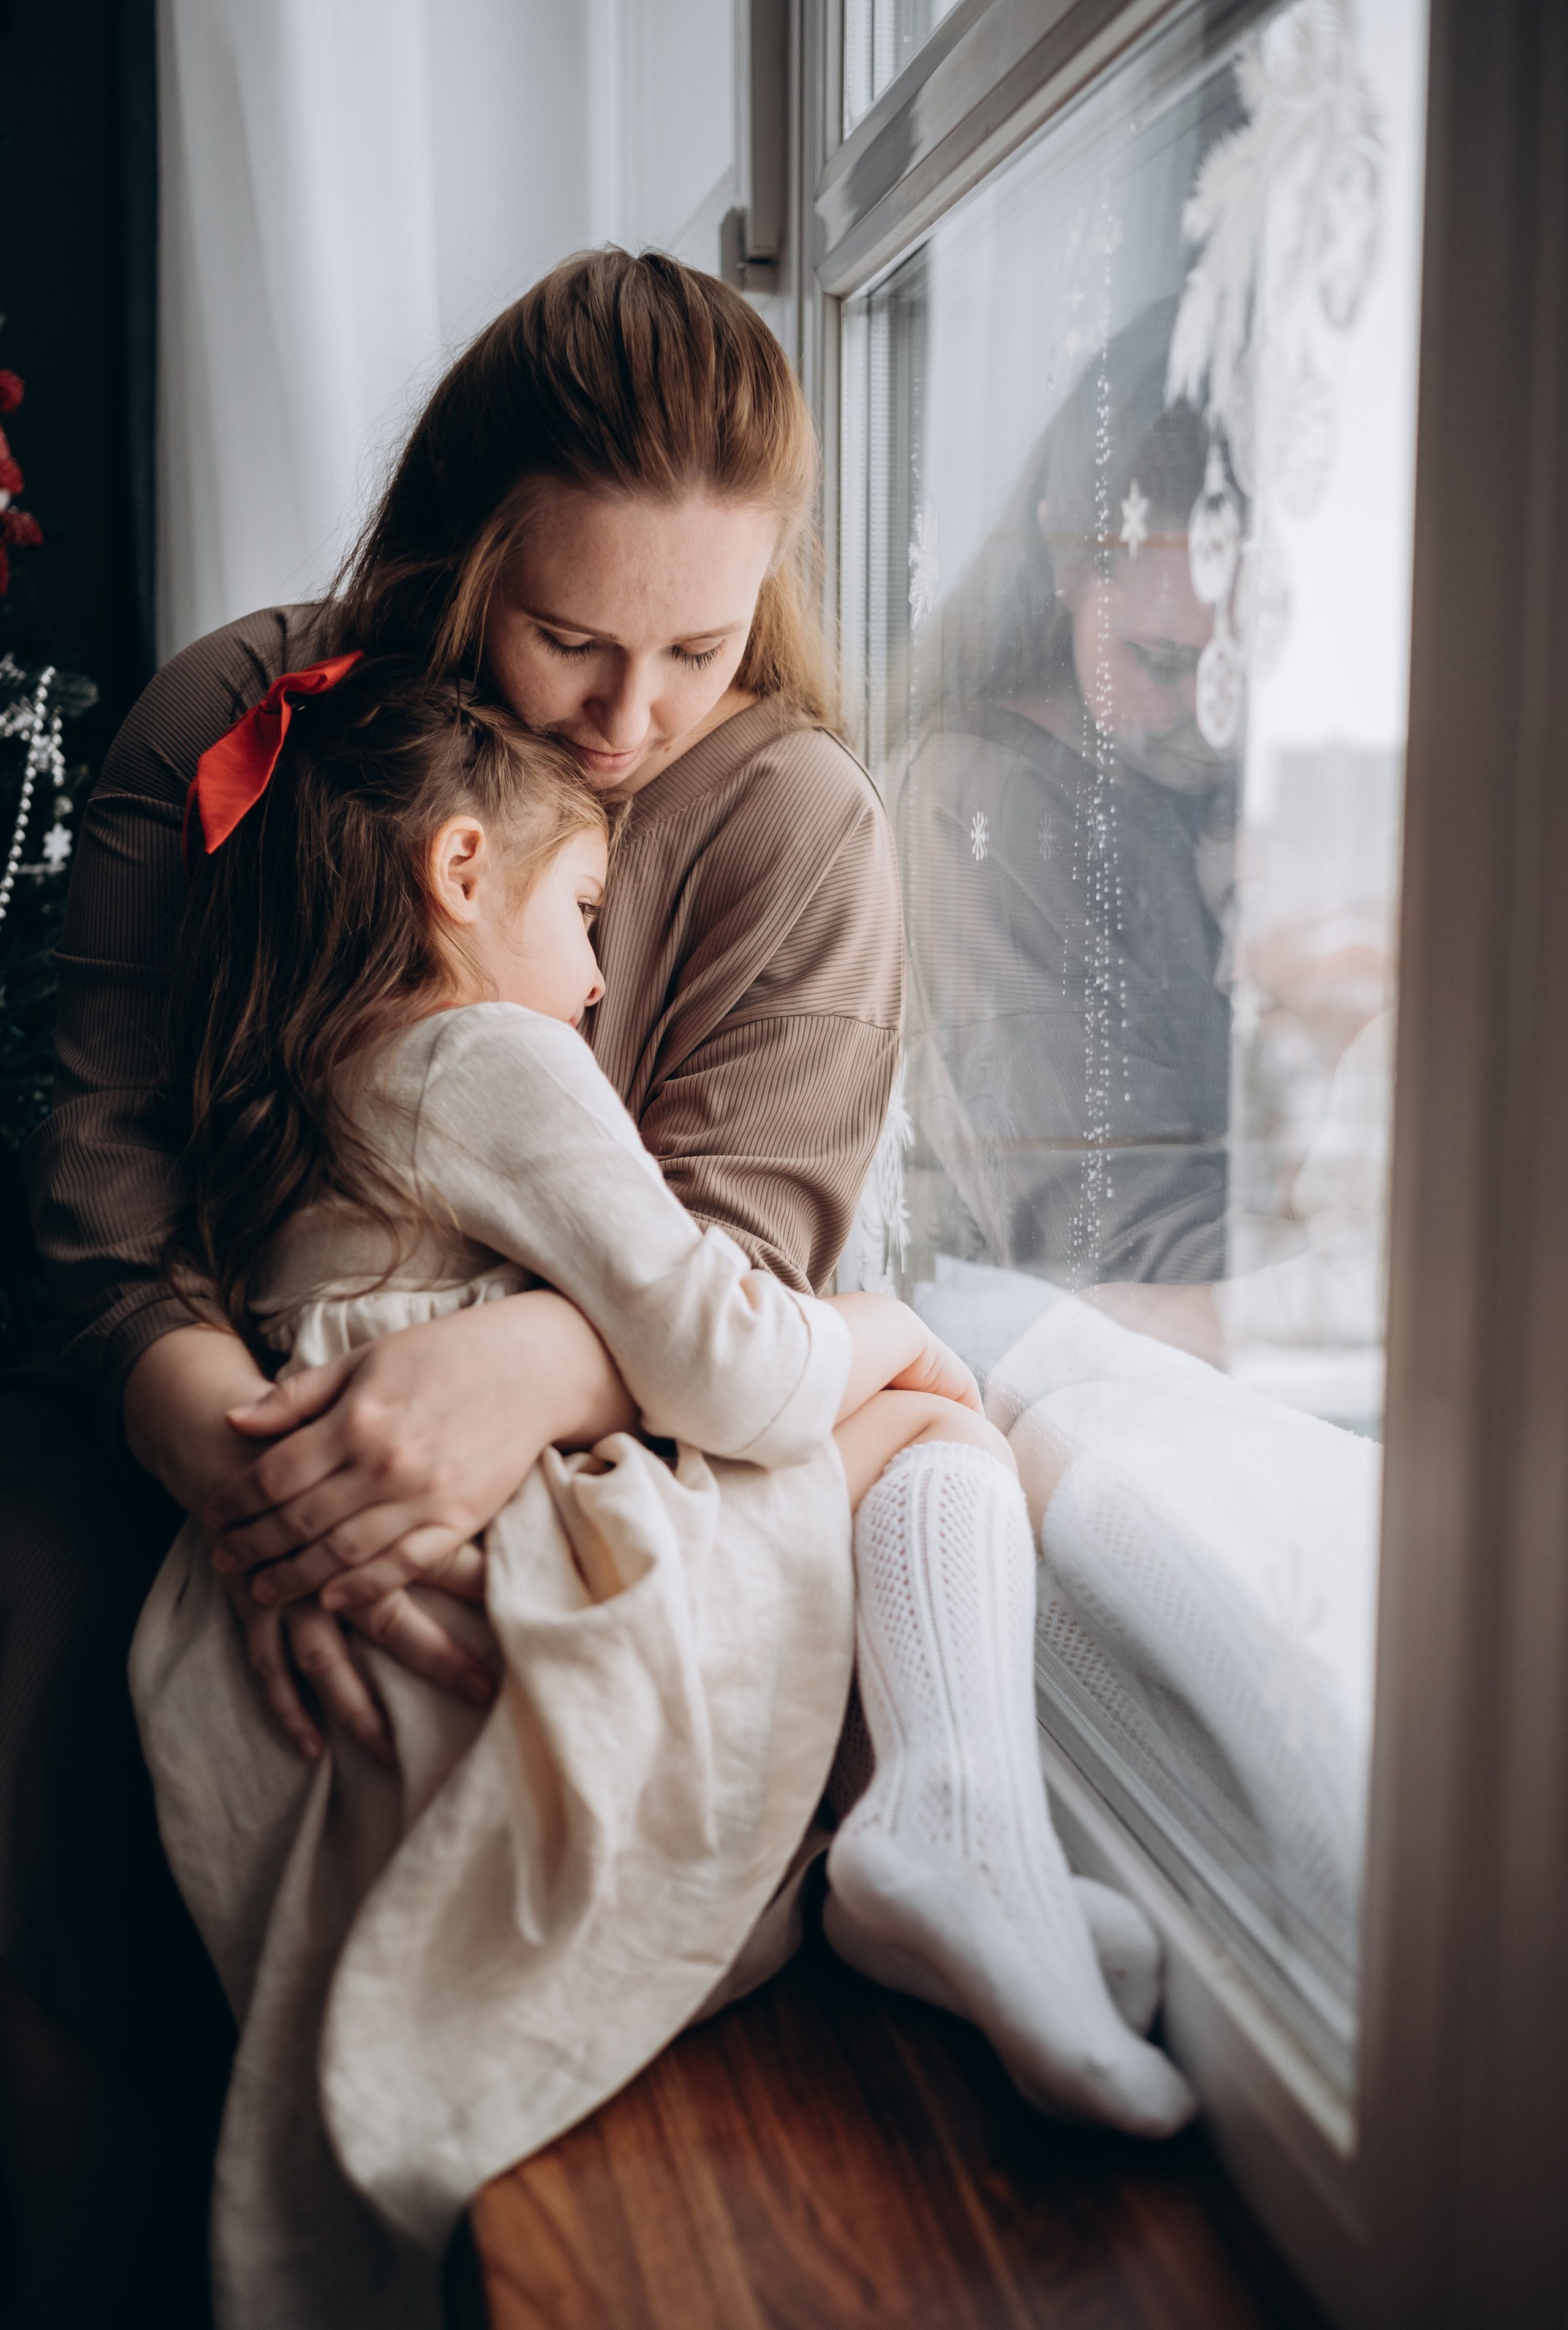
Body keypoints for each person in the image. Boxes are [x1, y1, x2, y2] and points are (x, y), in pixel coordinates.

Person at [2, 252, 1177, 2321]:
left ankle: (921, 1862)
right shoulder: (247, 718)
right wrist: (248, 1465)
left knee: (899, 1454)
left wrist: (501, 1380)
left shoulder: (796, 816)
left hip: (621, 1422)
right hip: (223, 1407)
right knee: (42, 1757)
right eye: (566, 640)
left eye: (698, 650)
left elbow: (741, 1250)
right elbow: (93, 1182)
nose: (630, 724)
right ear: (462, 555)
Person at [888, 298, 1238, 1314]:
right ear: (1063, 559)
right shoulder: (979, 810)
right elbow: (1122, 1246)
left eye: (1256, 664)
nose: (1220, 719)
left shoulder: (1225, 786)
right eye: (1166, 662)